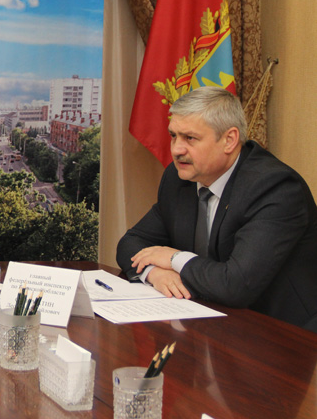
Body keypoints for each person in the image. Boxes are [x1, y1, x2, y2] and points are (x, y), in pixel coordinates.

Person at [117, 86, 317, 332]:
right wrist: (154, 273)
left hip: (283, 331)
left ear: (229, 140)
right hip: (211, 321)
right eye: (173, 136)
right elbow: (131, 242)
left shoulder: (275, 187)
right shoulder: (179, 178)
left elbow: (236, 285)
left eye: (190, 138)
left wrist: (173, 258)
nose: (176, 149)